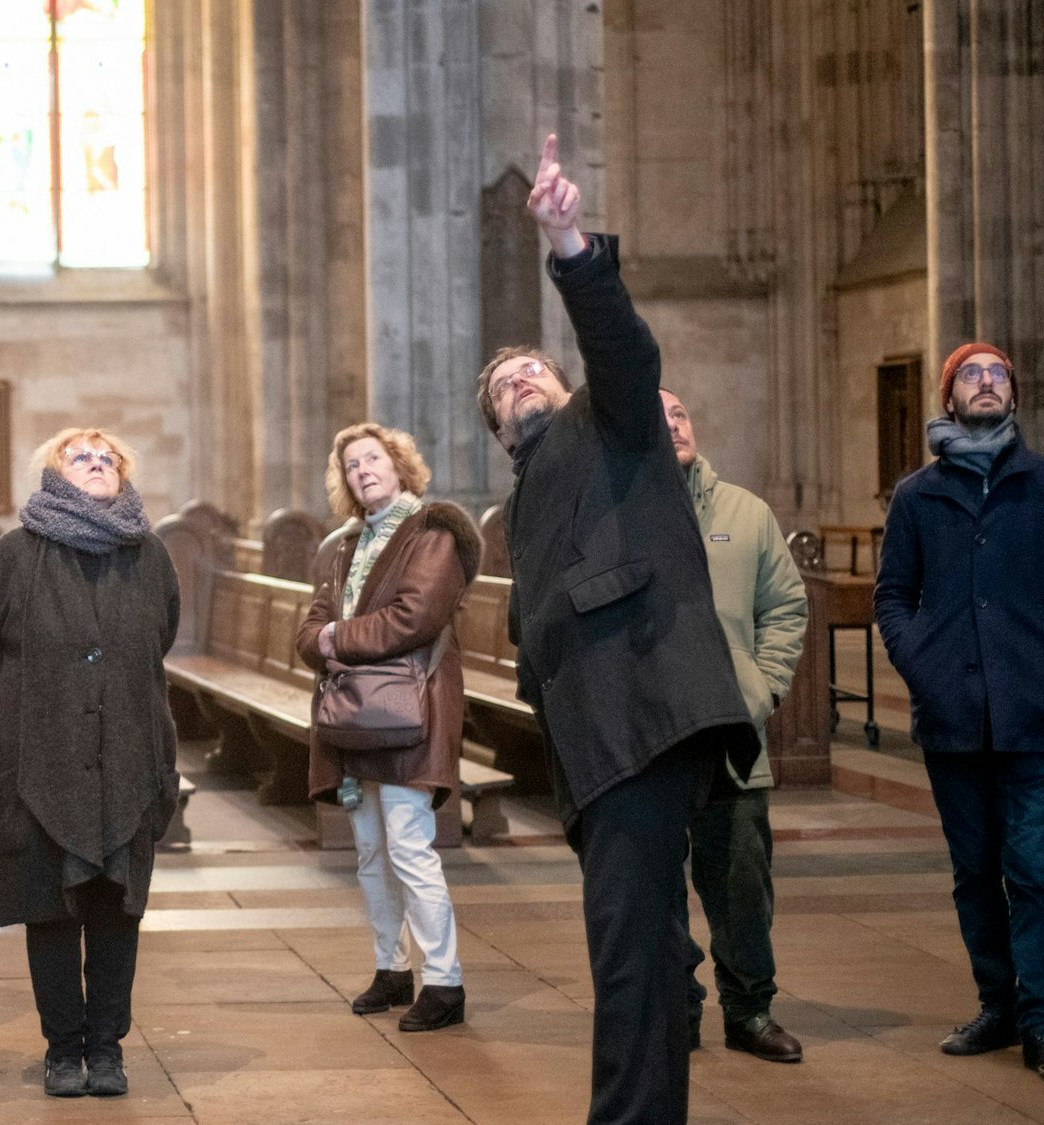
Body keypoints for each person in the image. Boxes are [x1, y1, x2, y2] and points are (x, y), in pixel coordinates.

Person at [472, 135, 758, 1124]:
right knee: (646, 955)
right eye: (499, 385)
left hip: (644, 711)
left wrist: (569, 244)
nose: (516, 379)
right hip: (599, 749)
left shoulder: (611, 419)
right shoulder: (520, 504)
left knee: (627, 957)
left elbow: (621, 345)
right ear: (496, 431)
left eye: (528, 370)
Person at [0, 428, 181, 1100]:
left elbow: (160, 635)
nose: (95, 462)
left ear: (124, 473)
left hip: (128, 756)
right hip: (38, 761)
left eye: (107, 456)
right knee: (49, 912)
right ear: (52, 473)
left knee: (116, 911)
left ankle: (107, 1048)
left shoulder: (151, 556)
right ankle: (62, 1049)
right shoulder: (12, 554)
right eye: (79, 455)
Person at [875, 342, 1044, 1084]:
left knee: (1034, 869)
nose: (985, 383)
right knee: (975, 871)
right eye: (971, 375)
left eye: (997, 374)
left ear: (1014, 393)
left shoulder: (1040, 484)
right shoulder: (918, 496)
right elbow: (893, 596)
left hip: (1032, 714)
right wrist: (928, 668)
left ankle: (1039, 1015)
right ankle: (995, 1004)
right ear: (949, 398)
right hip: (952, 718)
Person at [295, 422, 479, 1032]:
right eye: (351, 465)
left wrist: (334, 640)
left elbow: (413, 617)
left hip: (409, 710)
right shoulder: (348, 544)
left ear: (399, 465)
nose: (362, 470)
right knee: (370, 852)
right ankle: (392, 969)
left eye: (373, 459)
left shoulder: (433, 534)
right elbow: (313, 620)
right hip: (355, 712)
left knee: (409, 846)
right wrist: (322, 637)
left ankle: (444, 982)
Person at [664, 390, 809, 1062]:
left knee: (742, 882)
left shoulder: (744, 512)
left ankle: (749, 1010)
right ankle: (674, 1008)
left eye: (681, 414)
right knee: (653, 887)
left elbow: (784, 607)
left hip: (729, 731)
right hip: (650, 739)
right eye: (655, 416)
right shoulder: (615, 514)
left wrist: (764, 686)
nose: (672, 424)